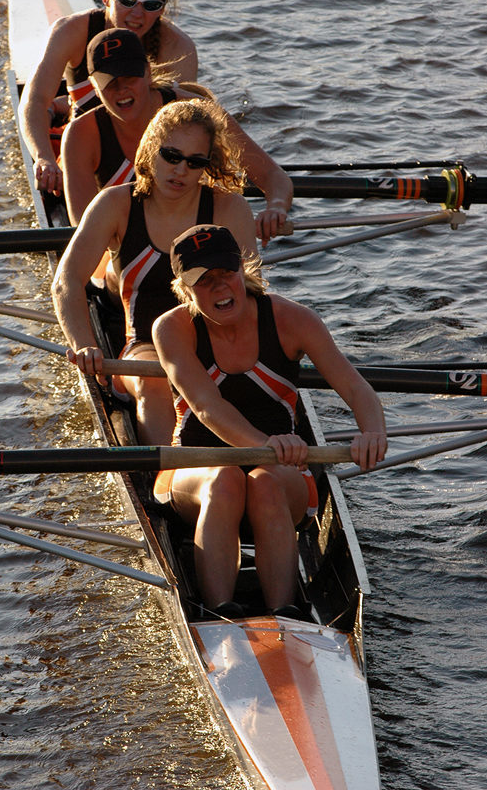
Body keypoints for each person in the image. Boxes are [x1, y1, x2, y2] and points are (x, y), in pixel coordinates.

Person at [151, 224, 387, 619]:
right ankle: (216, 614)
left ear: (243, 269)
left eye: (226, 273)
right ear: (183, 289)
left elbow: (356, 387)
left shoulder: (293, 320)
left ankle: (286, 614)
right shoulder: (172, 328)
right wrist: (269, 445)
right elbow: (207, 407)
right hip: (195, 470)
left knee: (262, 482)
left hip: (278, 474)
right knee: (226, 478)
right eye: (204, 281)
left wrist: (372, 433)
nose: (221, 288)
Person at [52, 99, 258, 446]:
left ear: (209, 165)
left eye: (195, 163)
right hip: (145, 351)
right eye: (171, 156)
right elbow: (66, 282)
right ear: (150, 148)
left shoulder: (228, 208)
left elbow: (252, 294)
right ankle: (164, 483)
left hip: (215, 344)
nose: (180, 171)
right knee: (157, 382)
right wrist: (84, 346)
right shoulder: (115, 204)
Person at [61, 28, 293, 245]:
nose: (121, 90)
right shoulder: (81, 134)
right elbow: (83, 228)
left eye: (130, 77)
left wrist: (276, 207)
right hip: (120, 258)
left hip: (199, 249)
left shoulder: (198, 113)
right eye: (109, 82)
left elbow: (274, 176)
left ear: (148, 73)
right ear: (93, 86)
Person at [19, 0, 197, 197]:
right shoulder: (72, 32)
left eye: (151, 5)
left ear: (162, 10)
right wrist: (44, 159)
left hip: (148, 161)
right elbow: (34, 100)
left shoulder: (179, 49)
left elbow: (186, 131)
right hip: (85, 156)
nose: (137, 14)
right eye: (127, 1)